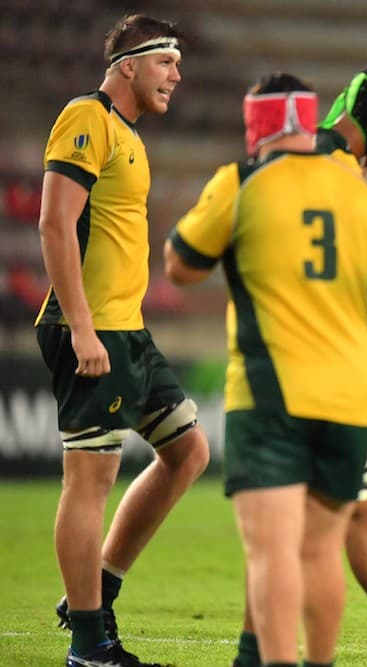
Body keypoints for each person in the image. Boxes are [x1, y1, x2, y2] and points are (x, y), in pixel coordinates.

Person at [166, 72, 367, 667]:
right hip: (345, 389)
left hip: (277, 389)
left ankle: (283, 655)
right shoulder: (352, 185)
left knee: (277, 545)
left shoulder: (262, 176)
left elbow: (188, 265)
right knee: (325, 538)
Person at [36, 14, 210, 667]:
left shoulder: (128, 136)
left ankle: (94, 589)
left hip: (126, 330)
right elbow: (56, 224)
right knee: (91, 477)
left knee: (188, 451)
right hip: (91, 329)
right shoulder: (87, 117)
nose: (177, 75)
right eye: (167, 62)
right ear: (129, 64)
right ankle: (89, 644)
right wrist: (82, 326)